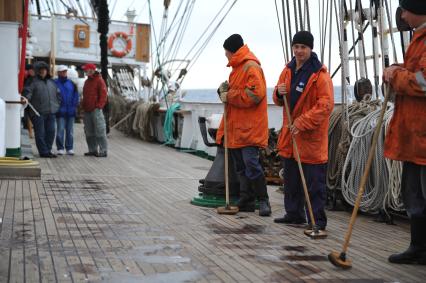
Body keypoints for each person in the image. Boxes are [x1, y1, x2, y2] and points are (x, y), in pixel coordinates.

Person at [272, 31, 334, 230]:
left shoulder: (320, 75)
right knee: (291, 180)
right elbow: (279, 100)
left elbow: (325, 106)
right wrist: (278, 93)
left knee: (314, 184)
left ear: (310, 49)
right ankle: (294, 214)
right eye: (296, 46)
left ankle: (317, 221)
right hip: (291, 136)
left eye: (303, 47)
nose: (299, 51)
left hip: (310, 138)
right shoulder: (287, 70)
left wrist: (302, 122)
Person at [382, 0, 426, 265]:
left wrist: (396, 75)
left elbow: (423, 81)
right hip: (414, 134)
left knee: (422, 193)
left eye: (405, 10)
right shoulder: (418, 39)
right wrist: (397, 70)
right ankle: (418, 247)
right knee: (413, 194)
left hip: (422, 135)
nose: (403, 15)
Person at [216, 34, 271, 216]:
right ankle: (246, 199)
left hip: (249, 129)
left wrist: (229, 95)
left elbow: (255, 95)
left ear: (232, 51)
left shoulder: (250, 67)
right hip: (237, 128)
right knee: (241, 166)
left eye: (226, 52)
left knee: (251, 164)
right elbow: (238, 93)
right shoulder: (236, 69)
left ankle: (264, 201)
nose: (225, 56)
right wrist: (225, 91)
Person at [23, 61, 61, 158]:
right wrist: (26, 98)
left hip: (51, 112)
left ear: (47, 71)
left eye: (44, 70)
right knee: (40, 133)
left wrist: (57, 106)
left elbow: (58, 95)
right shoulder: (32, 82)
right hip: (38, 113)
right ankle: (43, 152)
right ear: (37, 71)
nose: (42, 72)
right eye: (40, 70)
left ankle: (48, 150)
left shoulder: (51, 82)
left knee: (51, 132)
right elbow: (28, 92)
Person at [81, 63, 108, 157]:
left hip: (95, 110)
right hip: (87, 110)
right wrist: (83, 107)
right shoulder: (87, 82)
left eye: (86, 70)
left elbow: (104, 94)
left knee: (100, 130)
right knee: (89, 132)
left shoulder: (99, 80)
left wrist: (99, 106)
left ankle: (103, 150)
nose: (85, 71)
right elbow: (84, 96)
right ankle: (92, 150)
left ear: (91, 70)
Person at [54, 65, 79, 155]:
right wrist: (56, 108)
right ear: (58, 73)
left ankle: (69, 148)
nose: (64, 73)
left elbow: (76, 96)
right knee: (60, 130)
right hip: (60, 112)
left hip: (70, 112)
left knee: (70, 131)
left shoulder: (71, 83)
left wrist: (74, 106)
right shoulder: (54, 83)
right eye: (62, 71)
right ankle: (60, 148)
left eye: (65, 71)